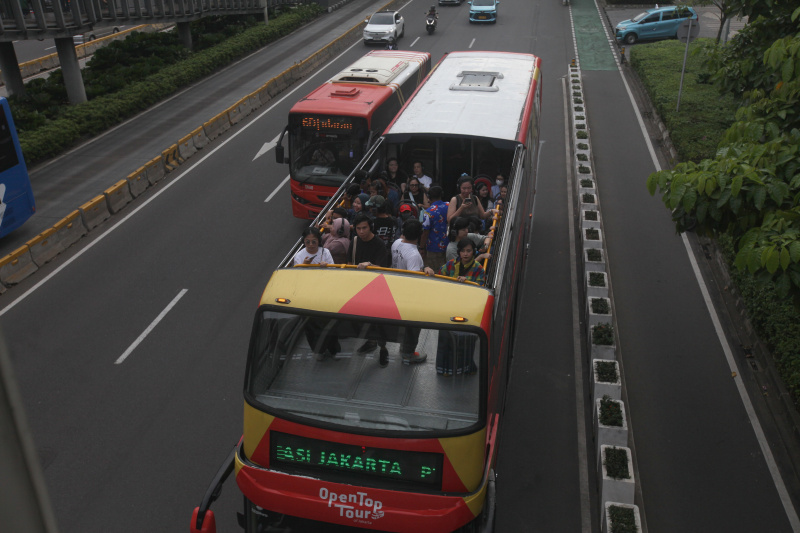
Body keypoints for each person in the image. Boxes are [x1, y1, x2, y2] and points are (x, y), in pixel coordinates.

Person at [390, 219, 427, 365]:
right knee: (413, 323)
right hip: (408, 295)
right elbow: (415, 279)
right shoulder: (414, 255)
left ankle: (404, 347)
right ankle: (408, 353)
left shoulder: (397, 243)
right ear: (420, 235)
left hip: (396, 288)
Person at [419, 185, 449, 272]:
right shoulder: (449, 205)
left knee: (436, 273)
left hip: (433, 248)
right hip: (449, 245)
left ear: (429, 197)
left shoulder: (428, 212)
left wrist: (421, 248)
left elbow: (425, 232)